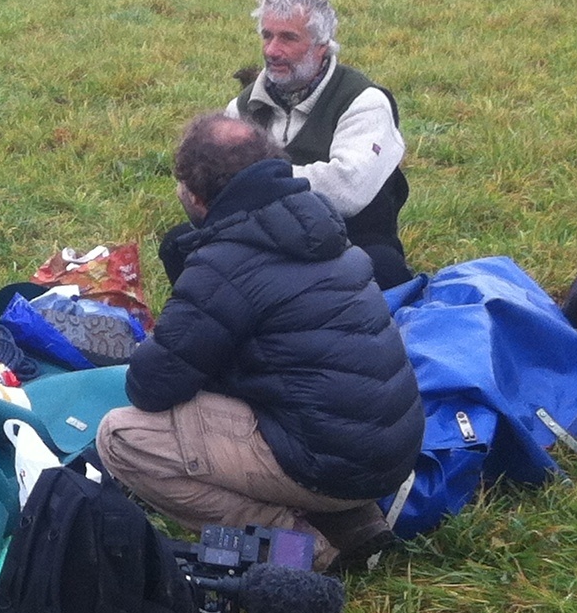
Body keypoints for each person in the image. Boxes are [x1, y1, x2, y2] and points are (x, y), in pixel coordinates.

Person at [98, 113, 421, 574]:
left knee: (121, 436)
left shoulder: (226, 261)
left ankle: (302, 550)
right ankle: (352, 520)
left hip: (333, 464)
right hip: (391, 451)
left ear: (195, 195)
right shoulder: (319, 222)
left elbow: (150, 386)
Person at [223, 0, 413, 290]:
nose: (271, 50)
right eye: (267, 35)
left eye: (288, 38)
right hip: (265, 243)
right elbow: (212, 184)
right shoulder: (243, 108)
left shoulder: (363, 102)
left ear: (322, 45)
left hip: (347, 245)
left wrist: (254, 182)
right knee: (181, 245)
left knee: (383, 268)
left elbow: (347, 189)